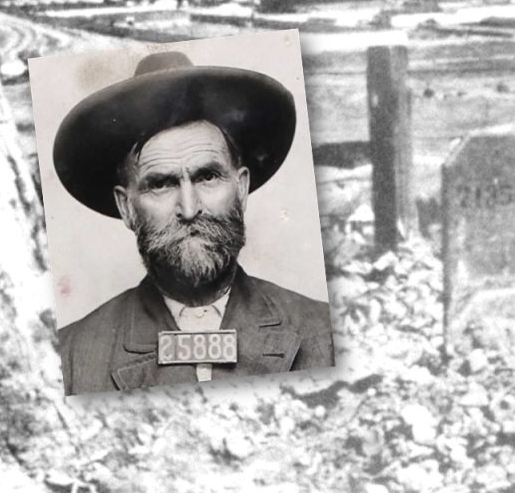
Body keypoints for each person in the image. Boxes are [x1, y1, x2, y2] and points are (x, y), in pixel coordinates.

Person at [56, 51, 334, 395]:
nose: (189, 209)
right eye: (161, 184)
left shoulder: (323, 333)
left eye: (208, 177)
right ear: (126, 207)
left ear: (242, 187)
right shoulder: (70, 358)